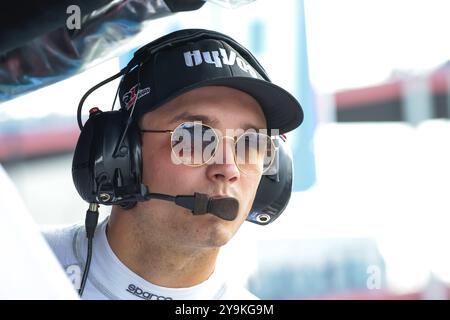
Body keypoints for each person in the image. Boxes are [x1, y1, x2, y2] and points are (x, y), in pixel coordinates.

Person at [42, 28, 303, 300]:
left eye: (250, 144)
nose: (228, 168)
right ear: (121, 153)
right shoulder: (17, 261)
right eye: (193, 137)